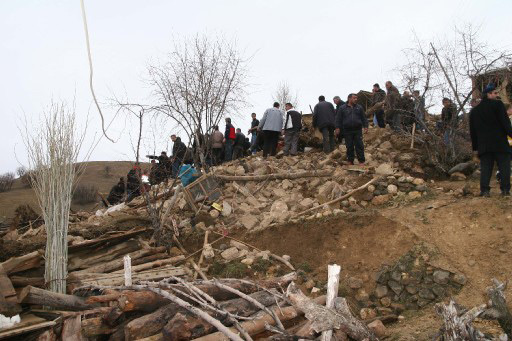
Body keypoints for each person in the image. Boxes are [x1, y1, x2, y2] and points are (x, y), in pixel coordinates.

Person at [469, 84, 512, 197]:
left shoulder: (474, 111)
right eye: (495, 93)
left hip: (484, 145)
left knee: (486, 168)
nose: (497, 95)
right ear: (488, 94)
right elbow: (505, 123)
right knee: (504, 166)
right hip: (500, 143)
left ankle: (485, 191)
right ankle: (505, 190)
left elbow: (473, 132)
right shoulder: (498, 105)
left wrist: (475, 148)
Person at [336, 93, 368, 165]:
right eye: (354, 98)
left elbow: (364, 118)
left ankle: (361, 161)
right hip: (347, 130)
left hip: (358, 130)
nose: (356, 99)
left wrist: (366, 126)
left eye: (356, 98)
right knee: (349, 146)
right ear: (349, 99)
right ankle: (350, 161)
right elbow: (338, 119)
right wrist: (337, 127)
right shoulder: (342, 108)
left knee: (359, 145)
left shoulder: (359, 107)